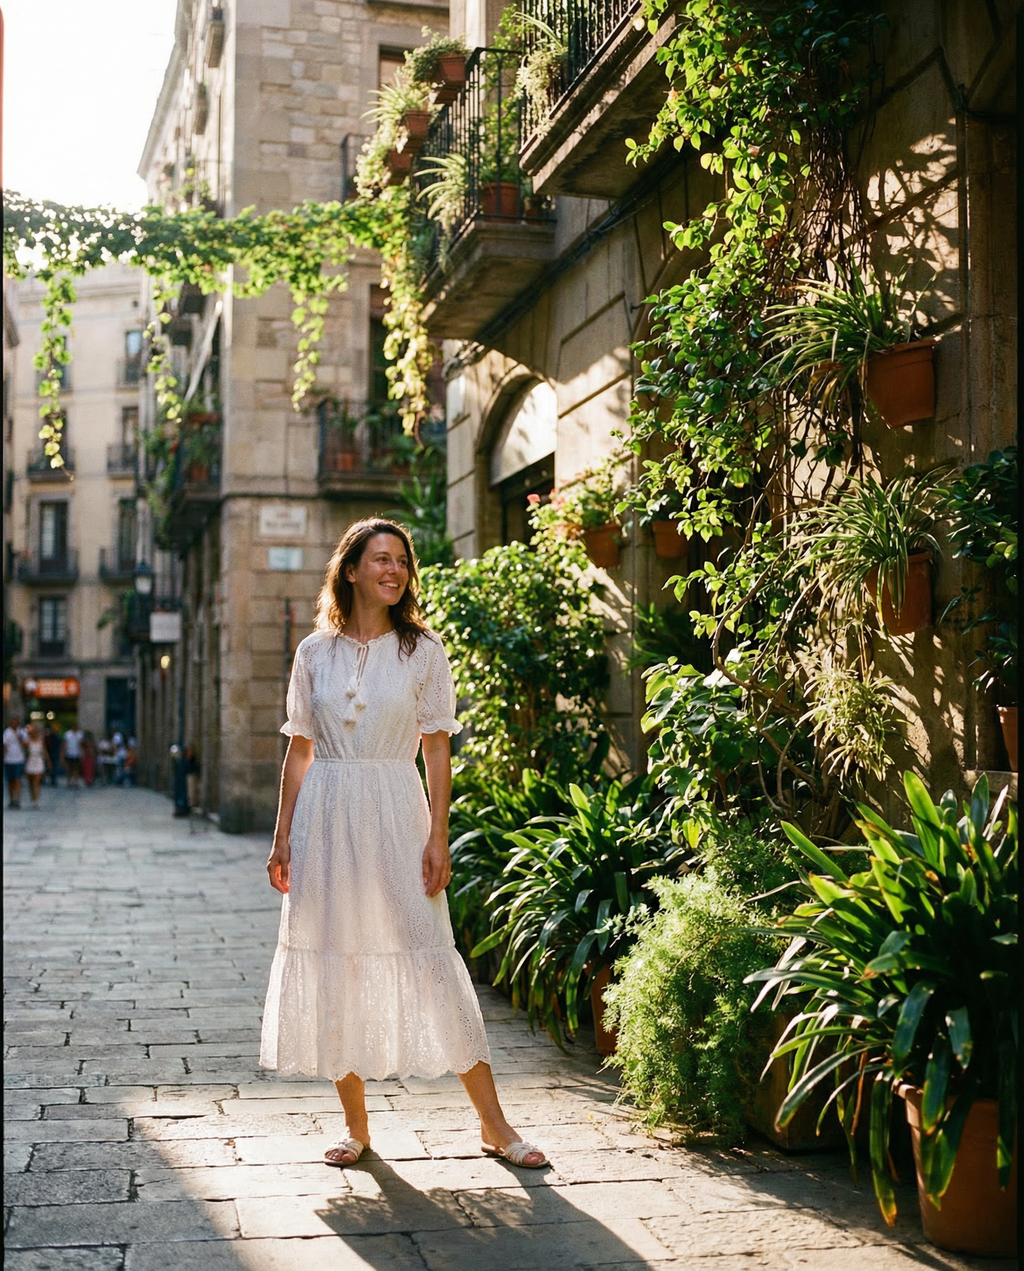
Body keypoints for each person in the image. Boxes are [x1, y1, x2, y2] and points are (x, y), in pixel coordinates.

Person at [262, 519, 547, 1171]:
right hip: (325, 819)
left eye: (401, 560)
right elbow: (299, 750)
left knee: (429, 955)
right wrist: (282, 838)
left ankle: (494, 1124)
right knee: (335, 960)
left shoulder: (423, 650)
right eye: (380, 559)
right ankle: (356, 1127)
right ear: (351, 570)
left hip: (396, 810)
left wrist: (438, 835)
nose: (393, 569)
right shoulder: (314, 653)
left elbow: (437, 748)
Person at [24, 722, 50, 808]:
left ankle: (36, 800)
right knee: (31, 782)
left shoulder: (40, 741)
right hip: (30, 760)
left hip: (38, 760)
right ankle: (32, 797)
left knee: (37, 781)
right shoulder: (28, 741)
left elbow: (44, 751)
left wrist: (48, 761)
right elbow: (25, 752)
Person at [4, 717, 27, 809]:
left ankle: (17, 798)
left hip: (19, 759)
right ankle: (11, 799)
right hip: (9, 760)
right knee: (10, 781)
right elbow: (5, 745)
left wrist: (19, 738)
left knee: (17, 779)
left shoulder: (22, 732)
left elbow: (26, 745)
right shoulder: (7, 732)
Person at [61, 724, 84, 788]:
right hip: (69, 753)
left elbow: (81, 745)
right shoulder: (68, 734)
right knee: (69, 768)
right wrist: (62, 755)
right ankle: (69, 780)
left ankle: (75, 781)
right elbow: (64, 744)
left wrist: (82, 754)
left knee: (76, 768)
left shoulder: (80, 734)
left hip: (77, 754)